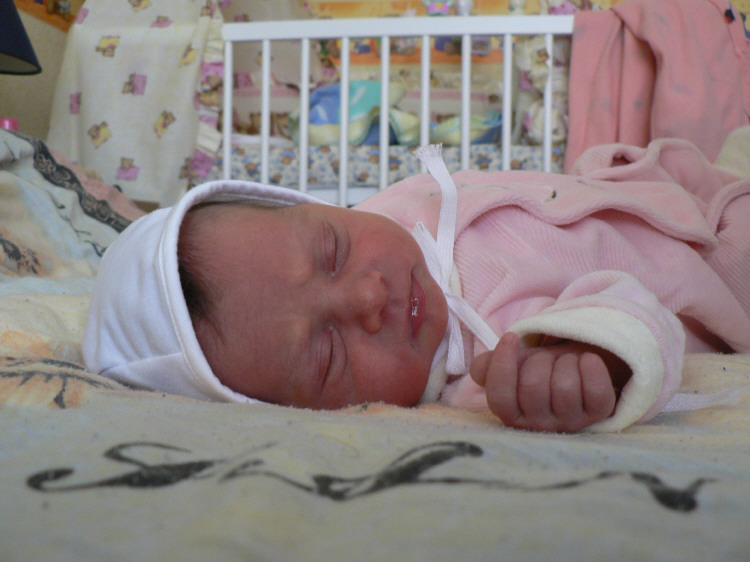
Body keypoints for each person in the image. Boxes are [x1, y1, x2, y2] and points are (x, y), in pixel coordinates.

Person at [83, 141, 750, 433]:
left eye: (331, 250)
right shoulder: (491, 374)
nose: (366, 299)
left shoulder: (397, 210)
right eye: (327, 353)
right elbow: (642, 316)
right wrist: (592, 353)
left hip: (656, 185)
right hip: (721, 267)